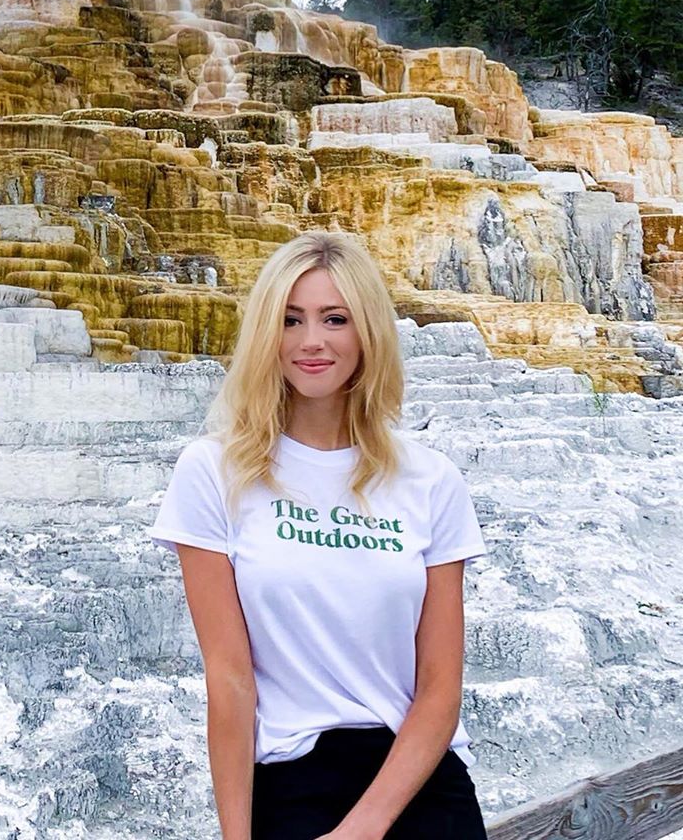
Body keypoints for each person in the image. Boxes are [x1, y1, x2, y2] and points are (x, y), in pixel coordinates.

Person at [148, 229, 490, 840]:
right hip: (291, 781)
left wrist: (365, 827)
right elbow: (229, 679)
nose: (312, 341)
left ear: (367, 333)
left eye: (335, 319)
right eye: (290, 319)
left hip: (418, 785)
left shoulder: (431, 480)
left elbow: (440, 688)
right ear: (264, 334)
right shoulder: (214, 471)